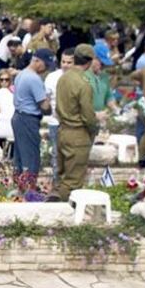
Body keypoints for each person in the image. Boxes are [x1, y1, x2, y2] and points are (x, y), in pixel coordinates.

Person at [51, 45, 97, 200]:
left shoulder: (63, 78)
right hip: (78, 133)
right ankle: (61, 209)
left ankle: (54, 199)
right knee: (73, 181)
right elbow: (88, 115)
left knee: (62, 176)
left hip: (62, 130)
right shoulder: (83, 84)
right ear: (89, 62)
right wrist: (94, 129)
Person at [11, 49, 52, 175]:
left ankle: (19, 182)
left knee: (20, 157)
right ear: (38, 61)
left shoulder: (21, 74)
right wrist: (49, 101)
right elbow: (44, 106)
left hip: (18, 116)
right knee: (31, 158)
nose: (46, 69)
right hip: (28, 119)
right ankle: (29, 185)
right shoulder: (34, 79)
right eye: (46, 65)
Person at [44, 48, 72, 182]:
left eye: (69, 62)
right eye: (63, 62)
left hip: (72, 123)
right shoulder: (52, 77)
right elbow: (46, 99)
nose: (65, 65)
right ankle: (56, 182)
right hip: (55, 122)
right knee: (56, 153)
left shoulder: (79, 78)